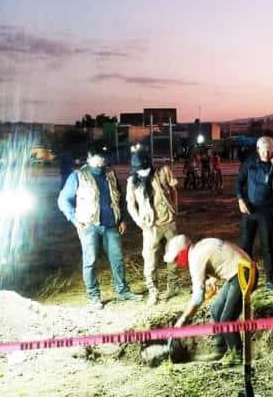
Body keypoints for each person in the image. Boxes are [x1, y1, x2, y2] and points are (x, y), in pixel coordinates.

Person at [58, 142, 141, 310]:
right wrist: (74, 219)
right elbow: (63, 200)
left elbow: (118, 197)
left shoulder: (110, 173)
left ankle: (122, 291)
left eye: (104, 156)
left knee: (117, 259)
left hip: (112, 225)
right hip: (89, 226)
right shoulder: (78, 176)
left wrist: (122, 218)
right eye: (99, 156)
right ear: (89, 158)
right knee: (90, 261)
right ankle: (93, 296)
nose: (103, 159)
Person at [166, 235, 252, 364]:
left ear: (183, 252)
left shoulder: (195, 258)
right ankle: (220, 349)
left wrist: (183, 319)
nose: (176, 263)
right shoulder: (200, 246)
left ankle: (237, 354)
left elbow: (198, 297)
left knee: (226, 320)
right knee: (216, 309)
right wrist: (214, 278)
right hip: (239, 270)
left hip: (244, 273)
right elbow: (224, 255)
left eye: (176, 258)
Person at [126, 144, 179, 305]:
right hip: (150, 227)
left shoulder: (162, 172)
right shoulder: (132, 181)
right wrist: (138, 220)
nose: (143, 173)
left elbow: (175, 190)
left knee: (175, 257)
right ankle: (153, 291)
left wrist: (175, 209)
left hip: (169, 223)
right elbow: (130, 204)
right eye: (139, 170)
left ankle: (173, 287)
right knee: (149, 261)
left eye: (145, 169)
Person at [235, 136, 273, 293]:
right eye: (263, 150)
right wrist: (240, 200)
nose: (266, 153)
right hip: (249, 209)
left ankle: (270, 280)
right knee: (246, 246)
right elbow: (239, 182)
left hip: (266, 212)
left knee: (267, 246)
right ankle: (247, 279)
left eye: (268, 150)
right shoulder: (250, 162)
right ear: (258, 150)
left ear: (272, 150)